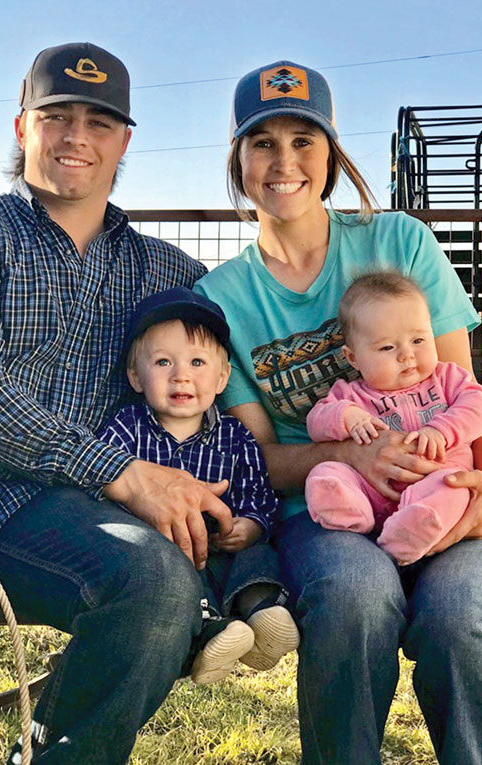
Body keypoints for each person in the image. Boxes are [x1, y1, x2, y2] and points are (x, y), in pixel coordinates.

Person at [195, 60, 482, 763]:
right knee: (352, 598)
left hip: (450, 484)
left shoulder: (398, 241)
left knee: (462, 615)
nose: (285, 162)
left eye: (304, 140)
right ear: (237, 160)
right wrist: (350, 454)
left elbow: (464, 389)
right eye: (263, 143)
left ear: (332, 154)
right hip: (328, 512)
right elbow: (260, 458)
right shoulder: (221, 298)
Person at [0, 42, 232, 765]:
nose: (76, 137)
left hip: (61, 514)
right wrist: (121, 471)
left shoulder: (170, 274)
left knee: (156, 583)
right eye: (56, 115)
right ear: (22, 126)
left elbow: (251, 359)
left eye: (99, 121)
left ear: (124, 141)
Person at [96, 286, 299, 684]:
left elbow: (258, 494)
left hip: (221, 544)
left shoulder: (235, 436)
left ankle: (262, 611)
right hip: (165, 547)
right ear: (135, 376)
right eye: (163, 362)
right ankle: (211, 633)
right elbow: (103, 483)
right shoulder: (126, 429)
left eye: (197, 362)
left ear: (222, 378)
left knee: (256, 555)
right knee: (180, 571)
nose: (181, 375)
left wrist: (251, 524)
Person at [305, 270, 482, 566]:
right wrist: (347, 416)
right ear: (353, 358)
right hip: (371, 491)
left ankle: (408, 534)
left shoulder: (447, 378)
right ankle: (347, 511)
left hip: (435, 479)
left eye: (418, 340)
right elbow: (316, 422)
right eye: (387, 347)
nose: (407, 355)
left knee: (454, 489)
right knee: (326, 472)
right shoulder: (350, 394)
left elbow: (478, 406)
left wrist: (442, 430)